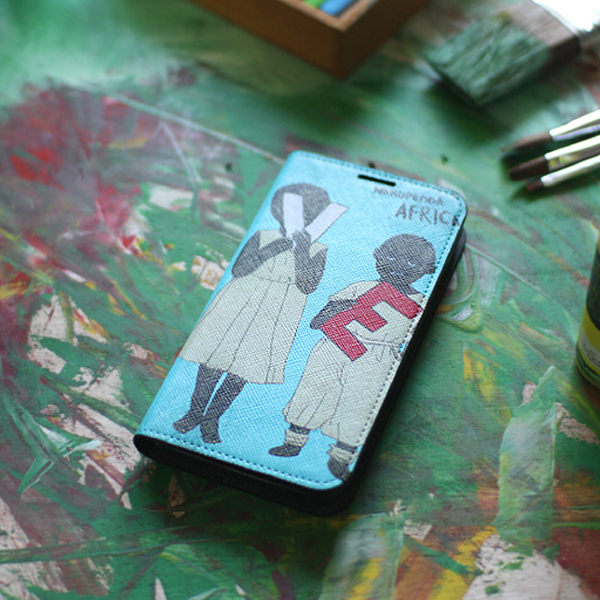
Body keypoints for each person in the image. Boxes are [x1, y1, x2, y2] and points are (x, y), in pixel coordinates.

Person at [173, 183, 335, 444]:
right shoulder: (263, 236)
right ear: (278, 210)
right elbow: (240, 270)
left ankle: (212, 418)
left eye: (311, 212)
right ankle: (194, 412)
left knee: (243, 368)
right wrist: (275, 247)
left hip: (278, 310)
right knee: (214, 358)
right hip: (242, 298)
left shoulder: (318, 249)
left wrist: (302, 251)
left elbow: (308, 285)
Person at [269, 234, 437, 480]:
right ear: (377, 255)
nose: (399, 266)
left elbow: (413, 340)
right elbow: (318, 321)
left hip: (378, 359)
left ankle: (341, 457)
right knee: (314, 392)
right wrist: (349, 308)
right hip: (336, 347)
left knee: (359, 405)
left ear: (428, 269)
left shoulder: (419, 304)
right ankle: (293, 441)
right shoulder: (359, 288)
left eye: (411, 263)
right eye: (391, 257)